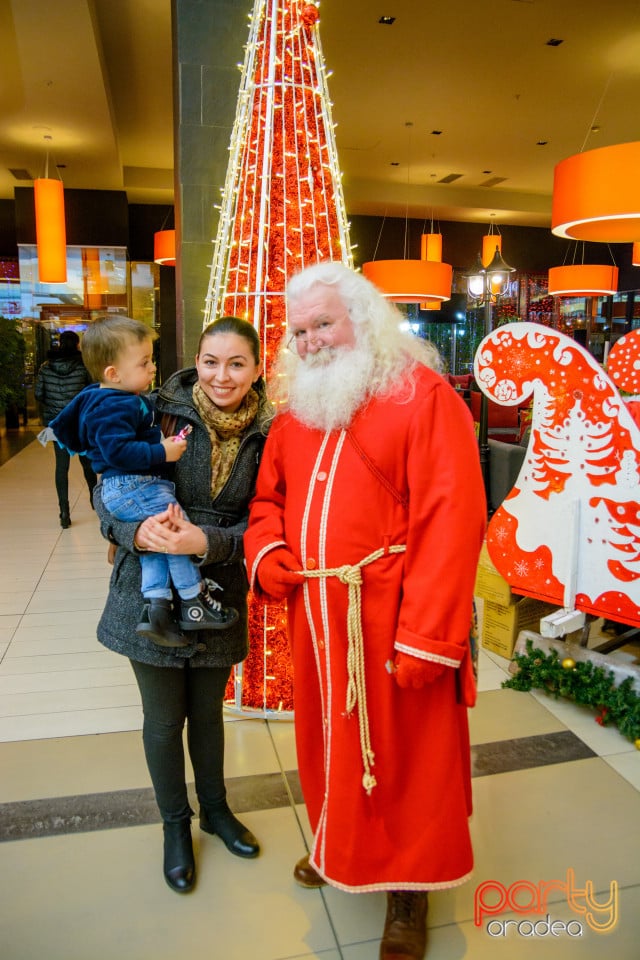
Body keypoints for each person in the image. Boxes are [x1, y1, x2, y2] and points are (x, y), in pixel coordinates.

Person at [244, 262, 486, 960]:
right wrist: (268, 553)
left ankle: (410, 889)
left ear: (363, 318)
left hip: (395, 620)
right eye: (300, 331)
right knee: (330, 746)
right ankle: (337, 843)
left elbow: (453, 520)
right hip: (320, 620)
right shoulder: (297, 411)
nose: (313, 340)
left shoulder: (424, 397)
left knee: (407, 758)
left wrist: (428, 636)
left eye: (325, 323)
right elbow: (267, 505)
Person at [89, 315, 271, 893]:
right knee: (164, 719)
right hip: (146, 591)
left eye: (237, 363)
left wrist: (209, 542)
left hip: (217, 586)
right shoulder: (154, 409)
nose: (222, 375)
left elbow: (270, 520)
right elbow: (105, 488)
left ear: (258, 368)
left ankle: (215, 811)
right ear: (197, 359)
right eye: (211, 361)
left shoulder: (271, 431)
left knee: (210, 714)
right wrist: (133, 534)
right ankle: (176, 826)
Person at [50, 315, 238, 648]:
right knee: (174, 533)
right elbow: (117, 452)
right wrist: (161, 452)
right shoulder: (113, 404)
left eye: (151, 360)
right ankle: (193, 600)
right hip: (136, 484)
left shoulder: (119, 398)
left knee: (155, 543)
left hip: (130, 486)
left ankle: (157, 609)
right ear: (113, 373)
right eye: (144, 362)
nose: (153, 368)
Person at [35, 329, 97, 527]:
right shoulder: (83, 366)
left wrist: (54, 406)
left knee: (61, 468)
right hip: (80, 422)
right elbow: (92, 391)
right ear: (77, 345)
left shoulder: (45, 368)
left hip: (57, 422)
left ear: (59, 343)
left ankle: (64, 512)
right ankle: (95, 501)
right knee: (87, 464)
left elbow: (38, 394)